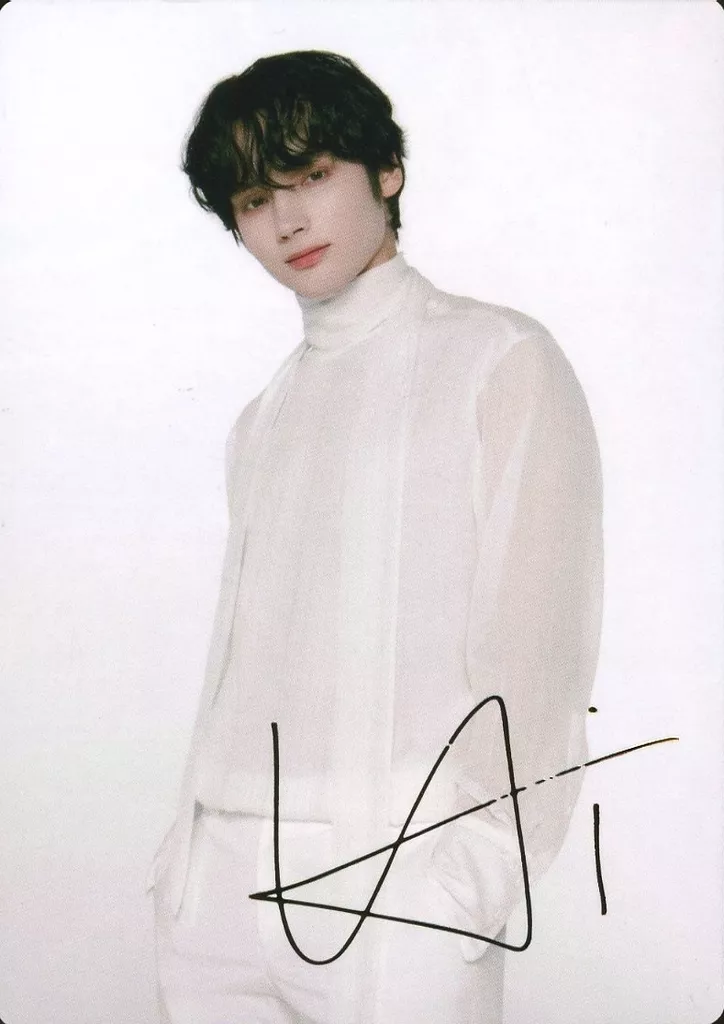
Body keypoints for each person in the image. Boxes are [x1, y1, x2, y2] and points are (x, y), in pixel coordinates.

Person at [147, 49, 603, 1024]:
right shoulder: (262, 417)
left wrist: (472, 880)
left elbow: (539, 650)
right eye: (254, 198)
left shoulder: (497, 360)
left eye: (311, 175)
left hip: (399, 880)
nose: (287, 220)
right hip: (216, 888)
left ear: (386, 170)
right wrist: (187, 866)